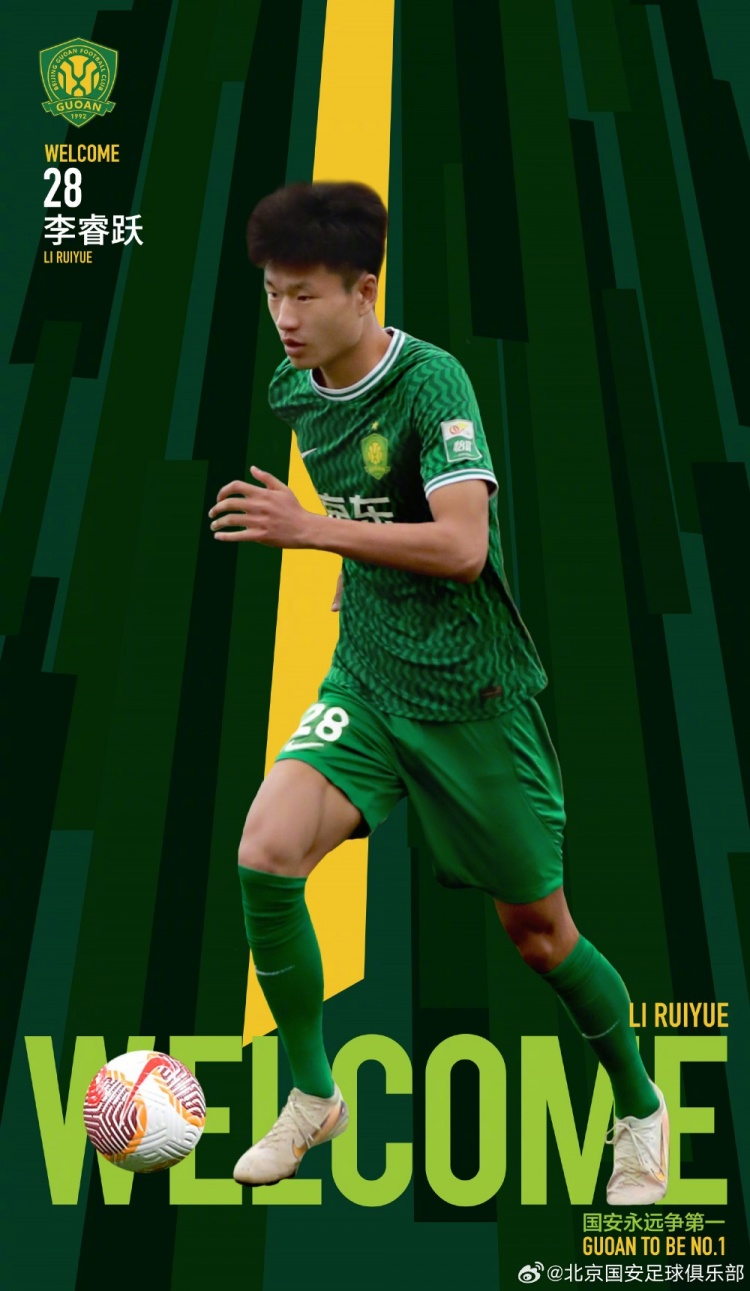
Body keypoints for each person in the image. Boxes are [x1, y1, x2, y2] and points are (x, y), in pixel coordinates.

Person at [208, 181, 669, 1204]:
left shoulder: (433, 384)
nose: (284, 317)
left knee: (539, 934)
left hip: (471, 696)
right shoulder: (295, 388)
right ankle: (313, 1094)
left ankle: (640, 1106)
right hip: (369, 678)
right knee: (265, 851)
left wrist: (314, 532)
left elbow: (463, 546)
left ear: (364, 291)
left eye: (304, 295)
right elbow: (374, 511)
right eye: (272, 293)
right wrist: (352, 572)